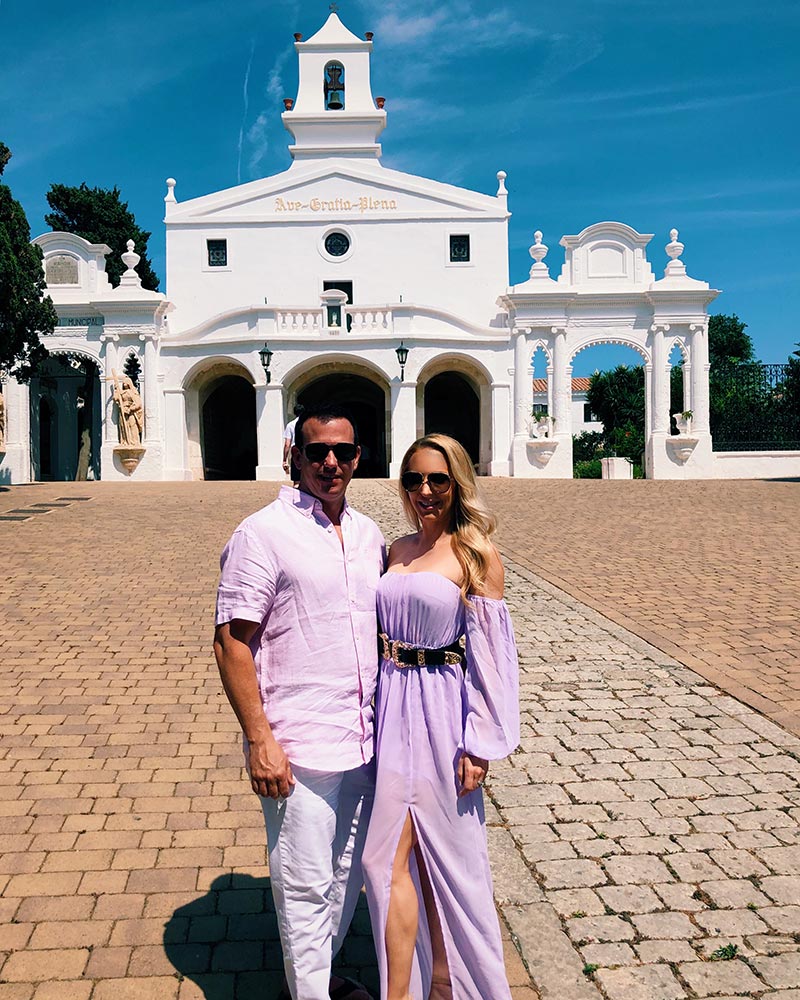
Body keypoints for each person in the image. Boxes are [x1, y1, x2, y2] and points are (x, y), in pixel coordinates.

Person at [214, 402, 385, 1000]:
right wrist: (260, 740)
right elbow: (232, 642)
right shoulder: (261, 533)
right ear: (295, 455)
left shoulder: (369, 535)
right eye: (317, 451)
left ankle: (317, 978)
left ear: (359, 456)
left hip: (363, 740)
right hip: (299, 744)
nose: (330, 463)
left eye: (343, 451)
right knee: (305, 884)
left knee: (344, 877)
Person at [362, 434, 520, 1000]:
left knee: (450, 864)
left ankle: (453, 983)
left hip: (443, 716)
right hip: (391, 709)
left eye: (437, 480)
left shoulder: (475, 554)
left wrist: (480, 742)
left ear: (457, 484)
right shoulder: (394, 550)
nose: (424, 491)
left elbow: (493, 657)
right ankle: (405, 990)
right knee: (384, 860)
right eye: (413, 480)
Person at [283, 403, 305, 484]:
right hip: (307, 453)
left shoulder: (290, 425)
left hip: (296, 454)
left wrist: (284, 459)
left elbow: (287, 444)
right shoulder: (307, 424)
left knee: (297, 481)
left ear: (294, 413)